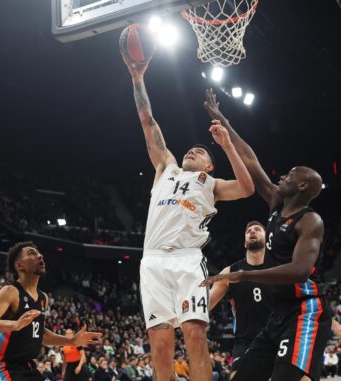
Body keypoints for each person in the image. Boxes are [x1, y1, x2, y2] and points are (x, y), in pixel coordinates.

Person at [123, 47, 255, 381]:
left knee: (194, 334)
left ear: (208, 165)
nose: (191, 151)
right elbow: (147, 121)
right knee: (160, 342)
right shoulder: (165, 167)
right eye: (190, 149)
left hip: (186, 260)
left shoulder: (211, 184)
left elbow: (247, 188)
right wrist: (137, 77)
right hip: (152, 260)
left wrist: (226, 144)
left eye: (199, 152)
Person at [200, 89, 341, 381]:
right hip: (278, 313)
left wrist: (242, 276)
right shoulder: (276, 205)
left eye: (290, 175)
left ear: (303, 186)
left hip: (304, 310)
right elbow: (251, 161)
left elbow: (300, 270)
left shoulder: (310, 221)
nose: (282, 177)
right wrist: (224, 121)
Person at [0, 242, 101, 381]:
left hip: (27, 366)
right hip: (1, 365)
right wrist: (15, 325)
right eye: (32, 253)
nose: (40, 255)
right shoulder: (11, 291)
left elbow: (40, 333)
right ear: (19, 266)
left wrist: (71, 341)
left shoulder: (43, 298)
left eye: (39, 253)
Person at [208, 221, 273, 373]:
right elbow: (206, 304)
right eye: (249, 230)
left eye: (257, 230)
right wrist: (182, 315)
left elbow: (304, 299)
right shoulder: (229, 273)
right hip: (246, 341)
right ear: (245, 243)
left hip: (278, 337)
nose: (252, 231)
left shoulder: (281, 268)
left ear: (268, 239)